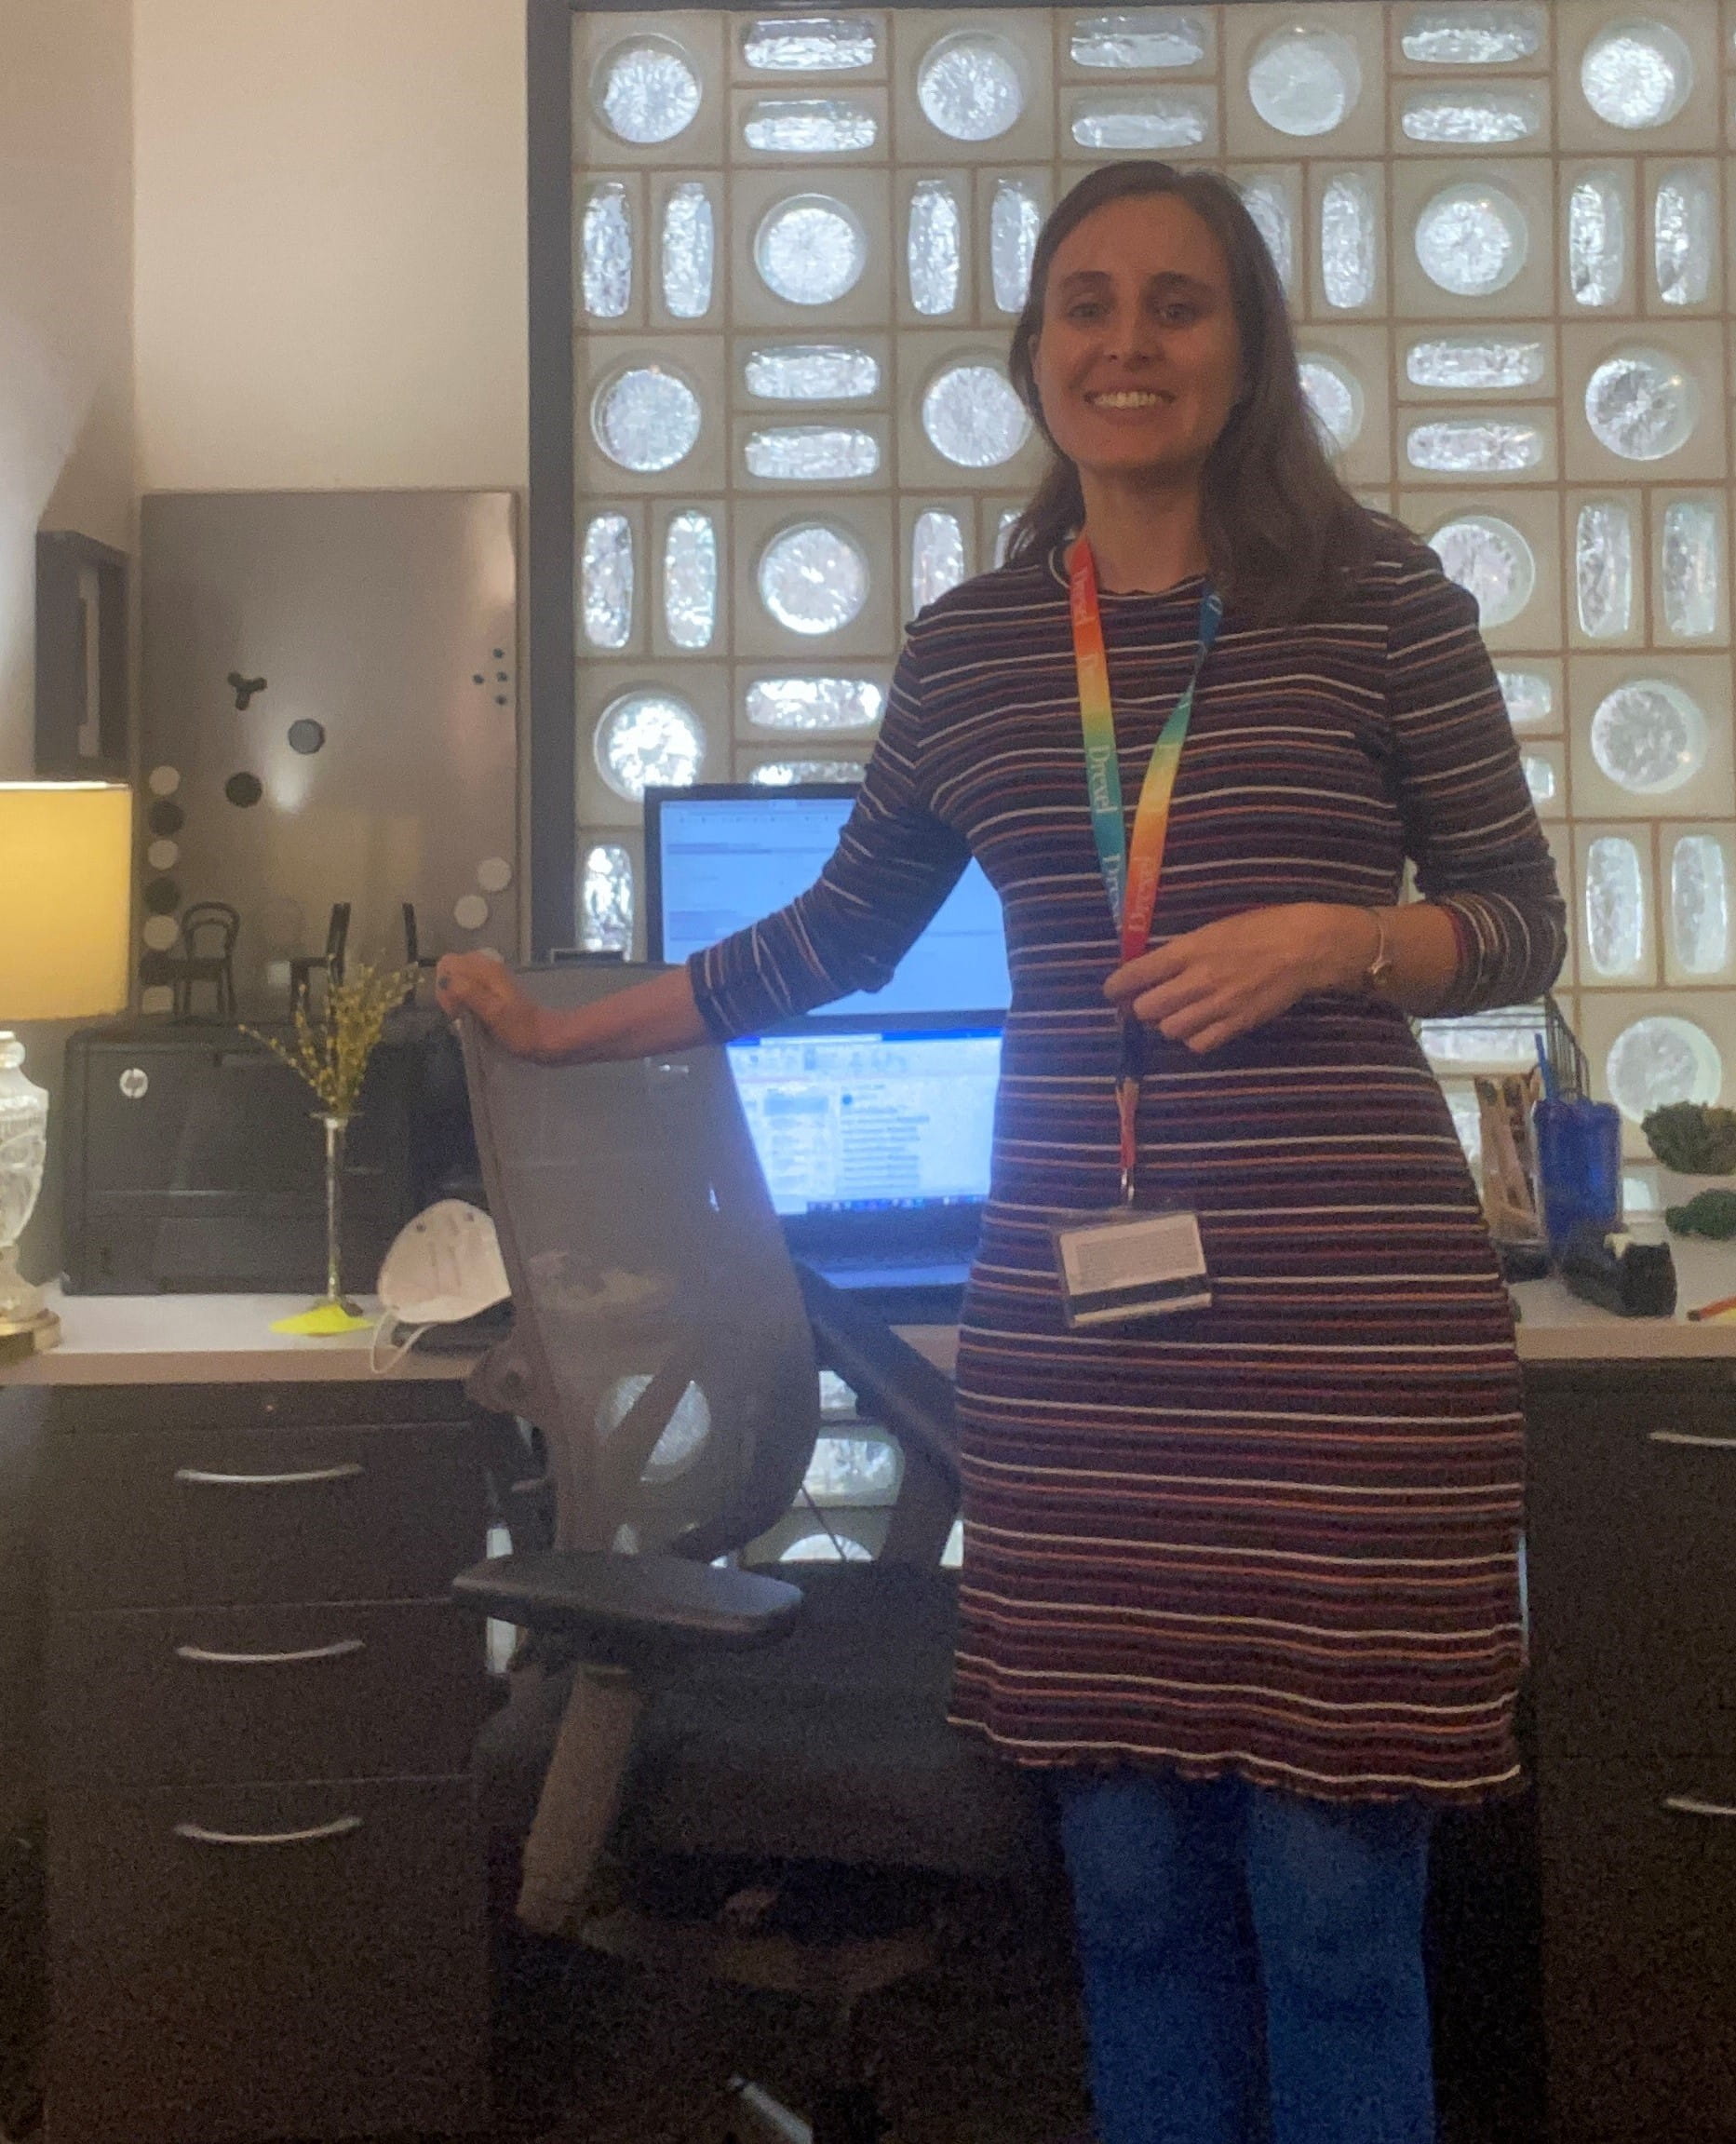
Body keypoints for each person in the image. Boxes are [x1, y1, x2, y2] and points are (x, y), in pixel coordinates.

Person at [439, 160, 1565, 2144]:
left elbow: (1518, 918)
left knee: (1327, 1916)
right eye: (1088, 304)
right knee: (1125, 1906)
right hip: (1085, 1329)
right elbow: (829, 941)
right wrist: (562, 1021)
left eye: (1179, 304)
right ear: (1037, 350)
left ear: (1245, 347)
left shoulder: (1383, 599)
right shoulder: (972, 646)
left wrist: (1347, 940)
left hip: (1354, 1343)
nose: (1128, 343)